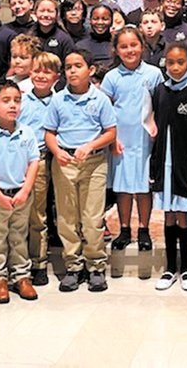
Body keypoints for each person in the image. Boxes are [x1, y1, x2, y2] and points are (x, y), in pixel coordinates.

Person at [44, 49, 117, 292]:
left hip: (94, 162)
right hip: (65, 162)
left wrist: (91, 145)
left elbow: (110, 132)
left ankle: (96, 266)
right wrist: (56, 151)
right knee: (66, 217)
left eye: (78, 66)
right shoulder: (58, 99)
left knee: (92, 218)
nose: (72, 71)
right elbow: (49, 132)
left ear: (91, 70)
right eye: (68, 67)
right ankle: (73, 266)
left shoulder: (100, 99)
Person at [150, 42, 187, 291]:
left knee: (183, 215)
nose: (175, 67)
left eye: (180, 62)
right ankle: (169, 268)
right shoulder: (161, 90)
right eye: (170, 62)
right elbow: (157, 129)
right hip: (164, 163)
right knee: (168, 214)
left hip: (185, 164)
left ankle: (186, 269)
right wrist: (154, 168)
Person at [102, 27, 164, 252]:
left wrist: (156, 122)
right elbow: (105, 110)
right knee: (123, 187)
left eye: (134, 45)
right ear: (116, 50)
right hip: (120, 140)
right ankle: (125, 229)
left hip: (146, 138)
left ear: (142, 46)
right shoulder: (112, 77)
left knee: (143, 186)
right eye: (124, 46)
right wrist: (111, 138)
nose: (130, 50)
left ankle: (144, 229)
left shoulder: (153, 73)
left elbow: (160, 103)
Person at [0, 81, 40, 304]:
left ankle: (22, 276)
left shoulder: (27, 132)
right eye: (6, 101)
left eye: (17, 100)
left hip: (22, 195)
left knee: (19, 236)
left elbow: (34, 162)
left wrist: (25, 190)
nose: (13, 105)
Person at [16, 51, 61, 287]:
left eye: (47, 71)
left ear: (56, 77)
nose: (40, 75)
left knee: (37, 214)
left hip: (41, 161)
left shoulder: (59, 100)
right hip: (14, 161)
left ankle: (38, 262)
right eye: (36, 71)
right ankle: (5, 262)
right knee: (10, 214)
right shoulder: (20, 98)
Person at [30, 0, 75, 68]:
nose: (45, 14)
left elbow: (69, 67)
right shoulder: (28, 37)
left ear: (57, 14)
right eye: (42, 11)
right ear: (35, 13)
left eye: (50, 11)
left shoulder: (65, 40)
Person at [77, 3, 115, 69]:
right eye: (95, 19)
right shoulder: (80, 46)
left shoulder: (117, 44)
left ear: (111, 21)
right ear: (90, 21)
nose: (100, 22)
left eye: (105, 19)